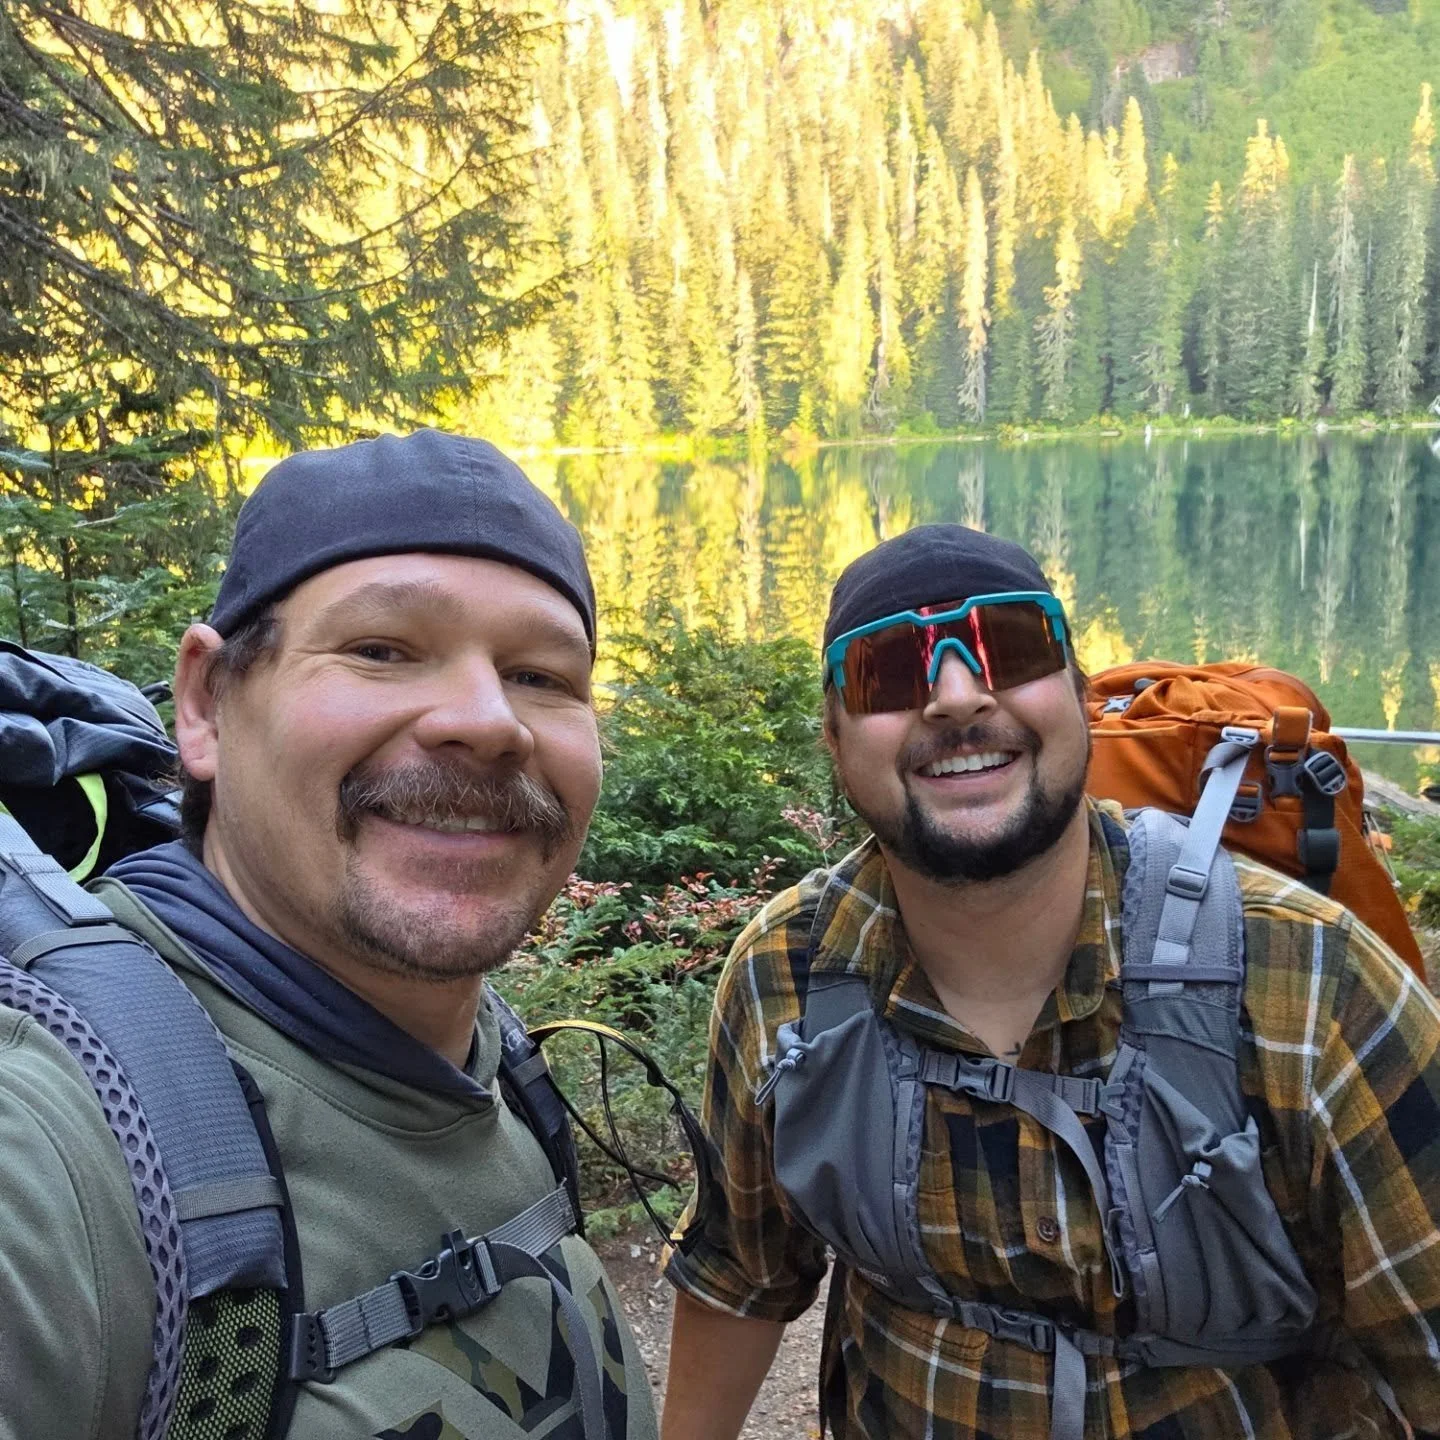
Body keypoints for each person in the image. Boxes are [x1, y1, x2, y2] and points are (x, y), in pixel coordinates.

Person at [660, 524, 1440, 1440]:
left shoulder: (1315, 982)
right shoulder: (782, 979)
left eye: (1013, 643)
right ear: (835, 740)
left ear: (1079, 698)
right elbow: (740, 1274)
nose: (955, 695)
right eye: (887, 670)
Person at [0, 430, 658, 1440]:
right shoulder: (61, 1147)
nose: (490, 721)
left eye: (542, 675)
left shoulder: (488, 1055)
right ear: (206, 705)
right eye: (382, 649)